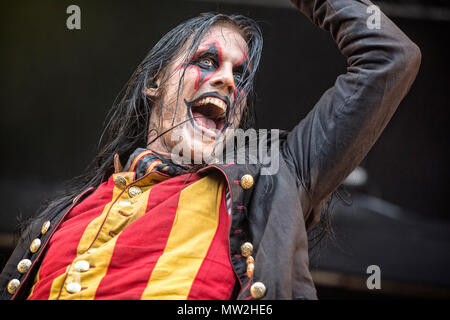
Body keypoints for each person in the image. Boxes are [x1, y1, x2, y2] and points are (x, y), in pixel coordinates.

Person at [0, 0, 421, 300]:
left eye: (239, 73)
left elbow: (388, 57)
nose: (227, 80)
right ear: (155, 84)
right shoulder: (60, 218)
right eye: (206, 61)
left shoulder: (278, 175)